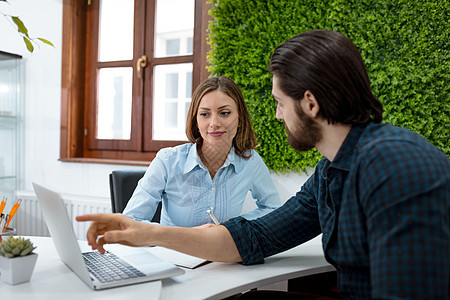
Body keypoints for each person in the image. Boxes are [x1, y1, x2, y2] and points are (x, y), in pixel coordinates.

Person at [77, 30, 450, 299]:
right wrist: (150, 232)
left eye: (279, 103)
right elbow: (253, 238)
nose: (276, 115)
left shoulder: (398, 168)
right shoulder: (329, 173)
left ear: (310, 104)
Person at [122, 76, 281, 227]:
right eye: (205, 114)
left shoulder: (250, 161)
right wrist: (171, 235)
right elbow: (130, 220)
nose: (214, 123)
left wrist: (235, 227)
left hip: (222, 254)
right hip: (173, 253)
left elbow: (273, 209)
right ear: (196, 121)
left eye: (224, 113)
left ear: (240, 119)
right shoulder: (167, 160)